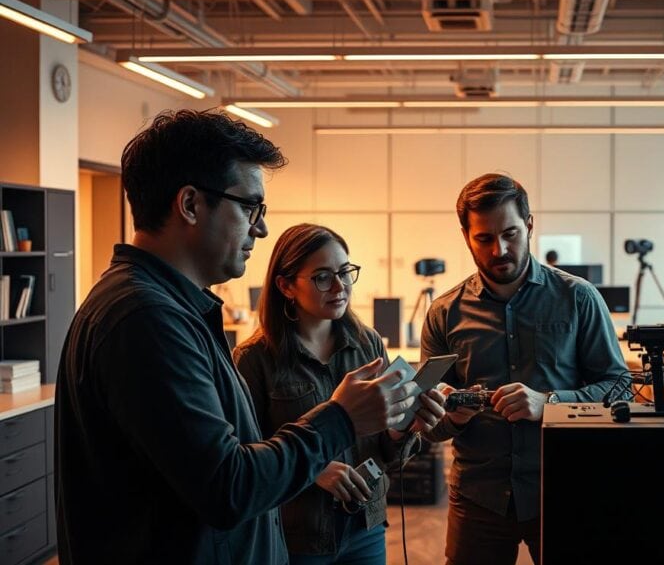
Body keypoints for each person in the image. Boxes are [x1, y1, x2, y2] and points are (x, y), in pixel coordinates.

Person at [55, 109, 417, 564]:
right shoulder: (145, 318)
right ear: (190, 205)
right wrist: (339, 419)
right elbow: (229, 487)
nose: (260, 228)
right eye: (250, 207)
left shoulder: (172, 310)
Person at [420, 173, 628, 565]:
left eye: (510, 234)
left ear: (529, 225)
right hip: (478, 496)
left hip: (563, 488)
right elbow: (428, 426)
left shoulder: (578, 298)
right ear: (466, 236)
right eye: (484, 238)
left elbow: (619, 387)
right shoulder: (444, 313)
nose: (499, 249)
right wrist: (454, 416)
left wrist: (550, 403)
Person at [235, 224, 446, 564]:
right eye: (322, 277)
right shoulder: (254, 358)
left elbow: (385, 451)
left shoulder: (367, 343)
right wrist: (312, 469)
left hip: (365, 526)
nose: (340, 287)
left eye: (345, 272)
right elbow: (245, 459)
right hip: (298, 534)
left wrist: (405, 427)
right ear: (286, 286)